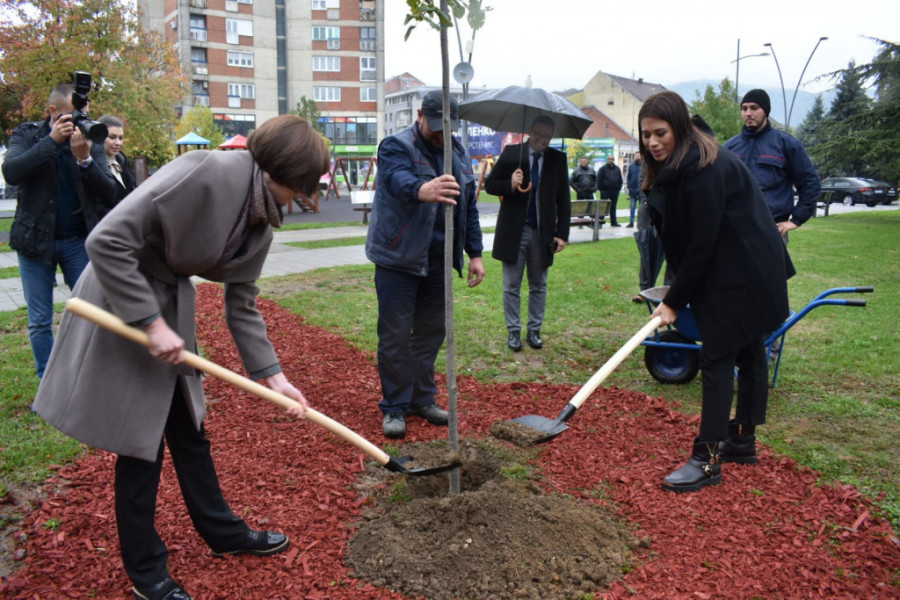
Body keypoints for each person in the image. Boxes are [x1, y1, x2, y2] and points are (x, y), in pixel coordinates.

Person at [33, 114, 329, 600]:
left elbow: (242, 302)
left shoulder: (262, 217)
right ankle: (145, 570)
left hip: (168, 309)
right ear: (281, 172)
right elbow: (105, 241)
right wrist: (149, 322)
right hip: (123, 299)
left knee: (189, 433)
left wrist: (273, 377)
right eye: (302, 185)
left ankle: (222, 531)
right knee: (138, 443)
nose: (304, 197)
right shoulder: (204, 170)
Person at [638, 91, 793, 493]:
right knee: (749, 348)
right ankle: (740, 439)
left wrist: (673, 301)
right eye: (646, 135)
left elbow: (701, 243)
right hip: (742, 264)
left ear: (680, 128)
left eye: (661, 133)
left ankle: (707, 461)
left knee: (718, 357)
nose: (653, 142)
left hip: (742, 271)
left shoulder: (704, 167)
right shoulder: (689, 160)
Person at [365, 90, 485, 439]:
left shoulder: (459, 155)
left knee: (433, 330)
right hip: (398, 258)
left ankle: (422, 398)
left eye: (447, 129)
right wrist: (423, 189)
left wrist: (474, 254)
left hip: (438, 260)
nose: (440, 135)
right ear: (420, 115)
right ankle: (395, 407)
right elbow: (395, 180)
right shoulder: (395, 146)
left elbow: (469, 208)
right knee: (395, 336)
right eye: (435, 127)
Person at [1, 83, 117, 377]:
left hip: (77, 241)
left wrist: (86, 160)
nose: (80, 122)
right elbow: (12, 171)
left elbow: (109, 193)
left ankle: (88, 377)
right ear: (53, 112)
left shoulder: (90, 141)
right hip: (34, 242)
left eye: (83, 114)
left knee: (91, 311)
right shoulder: (28, 134)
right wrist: (52, 141)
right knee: (40, 319)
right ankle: (48, 383)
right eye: (72, 115)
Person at [485, 115, 570, 352]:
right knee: (511, 285)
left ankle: (534, 330)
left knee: (538, 285)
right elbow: (490, 185)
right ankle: (513, 332)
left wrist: (562, 234)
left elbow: (564, 199)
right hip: (514, 231)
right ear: (530, 130)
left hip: (542, 234)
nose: (542, 140)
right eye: (539, 134)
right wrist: (510, 184)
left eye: (547, 136)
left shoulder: (557, 159)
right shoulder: (513, 153)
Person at [724, 89, 821, 242]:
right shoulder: (729, 147)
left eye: (754, 108)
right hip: (734, 230)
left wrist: (796, 220)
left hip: (771, 230)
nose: (748, 113)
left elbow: (810, 183)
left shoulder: (786, 144)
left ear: (766, 111)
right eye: (744, 108)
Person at [98, 115, 137, 204]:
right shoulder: (93, 166)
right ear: (99, 136)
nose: (118, 143)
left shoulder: (123, 161)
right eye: (112, 137)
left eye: (121, 138)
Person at [597, 155, 624, 227]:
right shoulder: (602, 169)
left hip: (615, 191)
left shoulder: (617, 169)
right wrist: (601, 190)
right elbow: (598, 180)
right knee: (603, 206)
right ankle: (600, 222)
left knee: (613, 207)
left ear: (614, 160)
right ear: (607, 160)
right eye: (609, 159)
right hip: (605, 191)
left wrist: (619, 188)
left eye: (612, 159)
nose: (610, 160)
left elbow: (620, 180)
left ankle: (614, 222)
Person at [625, 154, 642, 228]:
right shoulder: (631, 166)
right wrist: (629, 185)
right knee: (632, 207)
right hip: (633, 190)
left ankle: (641, 222)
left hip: (642, 190)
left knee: (642, 208)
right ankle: (631, 222)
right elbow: (628, 177)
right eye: (636, 156)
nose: (638, 157)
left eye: (639, 155)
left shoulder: (644, 166)